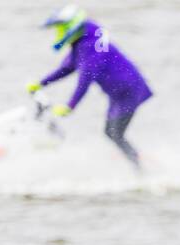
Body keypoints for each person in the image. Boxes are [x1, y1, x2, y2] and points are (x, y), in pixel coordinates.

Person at [27, 6, 153, 168]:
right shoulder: (83, 40)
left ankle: (140, 167)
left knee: (114, 133)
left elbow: (85, 80)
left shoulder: (91, 45)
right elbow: (68, 67)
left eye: (59, 28)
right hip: (119, 92)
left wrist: (70, 105)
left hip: (128, 91)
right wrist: (41, 83)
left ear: (70, 26)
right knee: (111, 133)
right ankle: (136, 160)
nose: (57, 33)